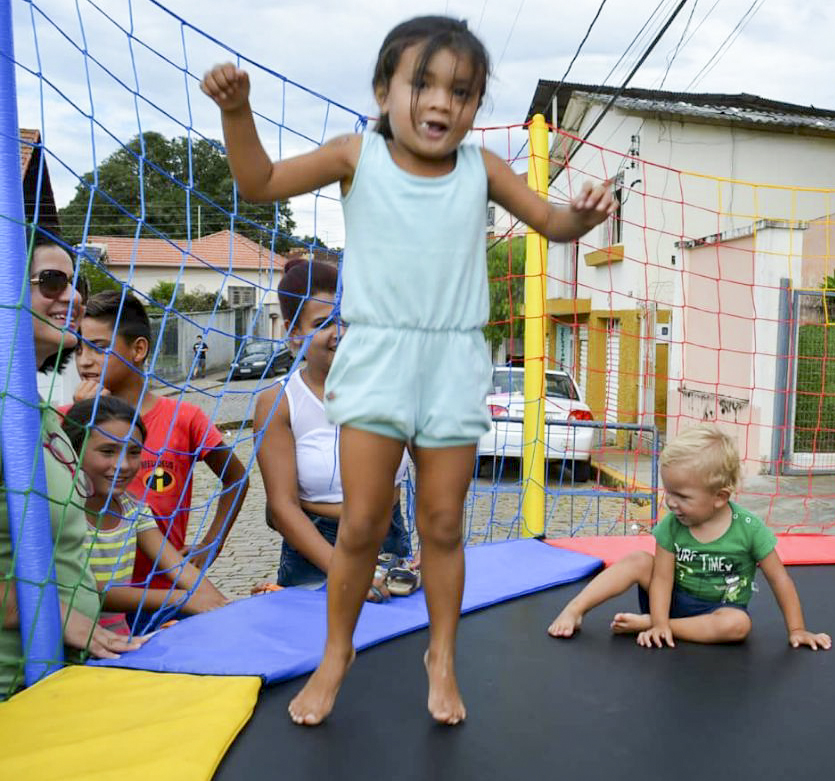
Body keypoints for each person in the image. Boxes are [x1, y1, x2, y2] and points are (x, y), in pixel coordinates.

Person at [202, 14, 615, 726]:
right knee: (362, 521)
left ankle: (442, 656)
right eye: (422, 84)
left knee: (443, 522)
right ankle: (337, 652)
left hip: (453, 357)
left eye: (462, 92)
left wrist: (585, 214)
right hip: (380, 355)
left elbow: (552, 223)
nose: (441, 103)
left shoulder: (480, 169)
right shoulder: (354, 155)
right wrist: (237, 112)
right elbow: (260, 182)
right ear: (383, 89)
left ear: (475, 107)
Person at [0, 229, 142, 698]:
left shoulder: (39, 415)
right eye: (52, 281)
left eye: (74, 282)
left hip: (62, 676)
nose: (74, 297)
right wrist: (58, 617)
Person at [548, 424, 832, 652]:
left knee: (739, 625)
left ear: (720, 497)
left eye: (682, 496)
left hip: (717, 611)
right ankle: (575, 609)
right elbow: (661, 578)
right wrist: (659, 622)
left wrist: (797, 629)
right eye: (668, 492)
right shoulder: (673, 525)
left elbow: (779, 579)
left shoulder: (749, 528)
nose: (670, 502)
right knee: (637, 560)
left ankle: (655, 624)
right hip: (670, 598)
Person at [73, 290, 249, 629]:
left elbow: (237, 478)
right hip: (90, 605)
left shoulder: (184, 418)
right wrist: (81, 418)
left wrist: (212, 541)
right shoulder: (67, 419)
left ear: (138, 349)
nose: (84, 360)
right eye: (79, 347)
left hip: (166, 594)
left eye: (98, 346)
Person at [253, 258, 416, 595]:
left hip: (390, 544)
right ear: (292, 332)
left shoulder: (394, 389)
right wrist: (345, 572)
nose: (339, 332)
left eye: (346, 319)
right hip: (314, 552)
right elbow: (282, 507)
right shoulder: (281, 401)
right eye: (323, 322)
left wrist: (436, 545)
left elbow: (435, 473)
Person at [63, 396, 229, 635]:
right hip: (67, 646)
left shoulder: (133, 510)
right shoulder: (63, 510)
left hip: (119, 639)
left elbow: (178, 567)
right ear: (73, 450)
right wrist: (179, 598)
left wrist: (222, 606)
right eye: (107, 451)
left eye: (133, 452)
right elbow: (85, 588)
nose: (123, 465)